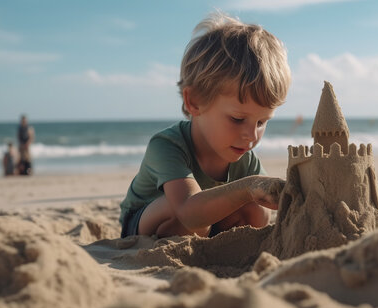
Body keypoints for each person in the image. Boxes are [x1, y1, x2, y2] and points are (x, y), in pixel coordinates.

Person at [119, 12, 291, 238]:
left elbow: (262, 212)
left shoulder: (245, 159)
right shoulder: (167, 146)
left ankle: (219, 250)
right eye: (237, 119)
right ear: (195, 102)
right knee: (187, 215)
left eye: (261, 122)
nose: (251, 135)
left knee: (257, 210)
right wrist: (249, 187)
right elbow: (188, 212)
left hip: (206, 224)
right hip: (147, 224)